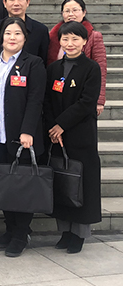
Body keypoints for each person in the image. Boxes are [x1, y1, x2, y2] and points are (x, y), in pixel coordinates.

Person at [0, 17, 46, 258]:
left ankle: (21, 233)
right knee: (5, 184)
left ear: (25, 37)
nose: (12, 37)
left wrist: (27, 130)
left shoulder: (34, 64)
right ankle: (10, 229)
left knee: (22, 185)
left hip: (21, 137)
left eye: (17, 33)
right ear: (1, 36)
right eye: (8, 32)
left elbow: (36, 100)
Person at [44, 21, 102, 254]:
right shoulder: (53, 69)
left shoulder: (91, 68)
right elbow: (47, 101)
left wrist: (62, 125)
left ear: (85, 41)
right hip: (57, 137)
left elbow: (87, 102)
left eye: (75, 39)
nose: (70, 43)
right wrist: (53, 127)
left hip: (80, 135)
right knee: (63, 183)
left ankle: (79, 234)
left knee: (81, 185)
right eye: (65, 39)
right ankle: (65, 232)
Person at [47, 0, 106, 116]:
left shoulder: (94, 36)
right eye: (67, 11)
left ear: (84, 12)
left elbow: (101, 67)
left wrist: (99, 99)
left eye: (75, 10)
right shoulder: (52, 36)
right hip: (58, 91)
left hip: (81, 91)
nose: (71, 14)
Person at [0, 0, 49, 65]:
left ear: (28, 2)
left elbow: (44, 60)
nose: (16, 3)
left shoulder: (40, 30)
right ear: (4, 3)